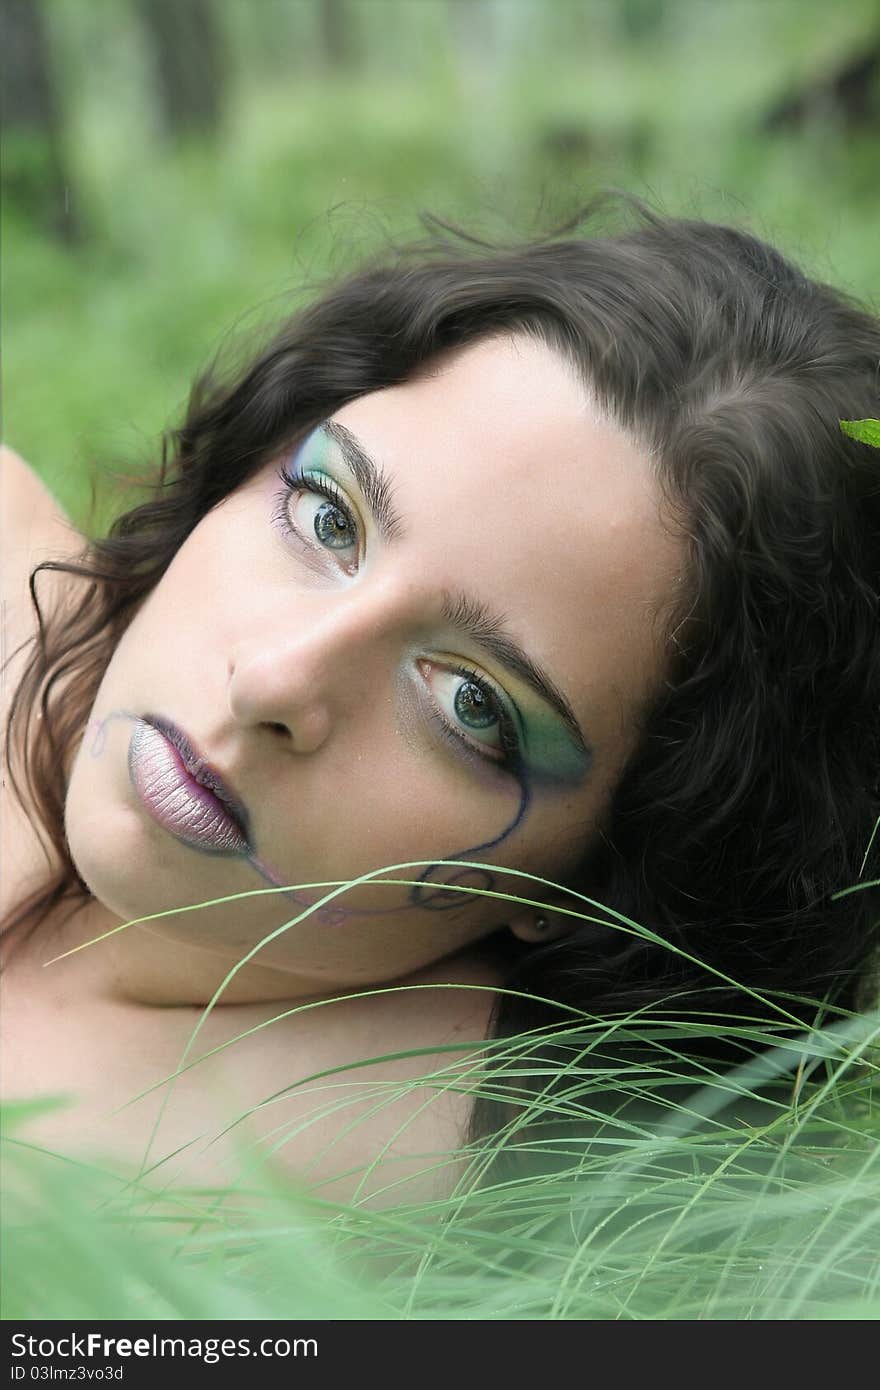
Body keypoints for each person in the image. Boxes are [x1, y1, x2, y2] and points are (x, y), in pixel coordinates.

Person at [2, 201, 878, 1201]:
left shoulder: (431, 1161)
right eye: (327, 515)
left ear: (593, 881)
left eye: (470, 705)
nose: (275, 680)